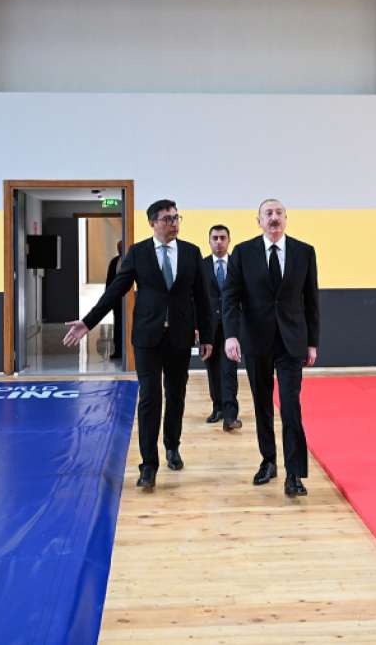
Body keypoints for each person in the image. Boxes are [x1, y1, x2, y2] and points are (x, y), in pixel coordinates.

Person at [65, 200, 213, 490]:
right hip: (147, 338)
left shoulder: (191, 252)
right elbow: (115, 291)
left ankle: (172, 445)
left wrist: (207, 336)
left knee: (176, 395)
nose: (174, 223)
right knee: (149, 398)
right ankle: (148, 464)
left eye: (176, 218)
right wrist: (88, 322)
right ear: (152, 223)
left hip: (180, 337)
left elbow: (203, 298)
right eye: (167, 219)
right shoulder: (138, 253)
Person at [223, 199, 319, 498]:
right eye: (268, 213)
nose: (274, 217)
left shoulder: (304, 252)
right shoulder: (243, 253)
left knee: (290, 407)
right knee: (262, 405)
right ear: (259, 221)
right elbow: (230, 297)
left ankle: (294, 474)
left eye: (279, 213)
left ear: (286, 219)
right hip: (256, 340)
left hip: (291, 341)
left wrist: (312, 342)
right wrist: (231, 335)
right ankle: (268, 461)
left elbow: (311, 300)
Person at [202, 224, 241, 431]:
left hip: (231, 327)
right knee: (213, 370)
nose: (218, 242)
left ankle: (230, 414)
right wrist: (197, 326)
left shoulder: (238, 264)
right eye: (215, 238)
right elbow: (195, 298)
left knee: (229, 370)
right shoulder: (201, 265)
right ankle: (217, 408)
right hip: (208, 328)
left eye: (222, 238)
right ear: (209, 241)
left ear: (229, 240)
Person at [104, 240, 124, 361]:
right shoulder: (114, 262)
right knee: (118, 325)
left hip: (129, 300)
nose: (120, 250)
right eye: (118, 248)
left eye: (121, 247)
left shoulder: (133, 260)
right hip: (117, 299)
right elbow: (109, 281)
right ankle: (118, 350)